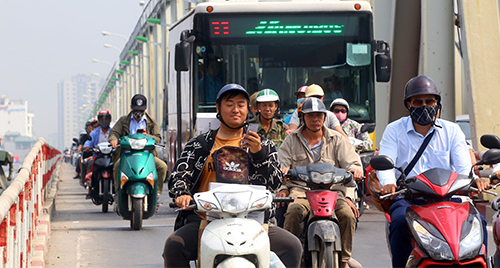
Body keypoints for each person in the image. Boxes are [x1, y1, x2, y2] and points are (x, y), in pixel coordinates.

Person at [163, 84, 302, 268]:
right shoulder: (200, 144)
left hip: (253, 221)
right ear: (218, 108)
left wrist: (258, 154)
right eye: (229, 104)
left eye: (241, 104)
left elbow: (275, 182)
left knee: (292, 246)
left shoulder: (263, 145)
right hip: (207, 220)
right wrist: (182, 193)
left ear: (248, 110)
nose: (235, 109)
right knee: (173, 247)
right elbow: (180, 175)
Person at [376, 75, 490, 268]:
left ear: (437, 103)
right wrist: (388, 182)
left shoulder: (452, 131)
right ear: (409, 105)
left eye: (430, 101)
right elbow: (386, 165)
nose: (424, 105)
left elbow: (463, 169)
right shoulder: (394, 130)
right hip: (410, 198)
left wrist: (473, 180)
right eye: (417, 101)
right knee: (399, 223)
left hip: (451, 198)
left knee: (477, 223)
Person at [277, 97, 363, 268]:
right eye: (310, 116)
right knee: (293, 212)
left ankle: (344, 260)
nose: (315, 119)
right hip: (301, 191)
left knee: (347, 215)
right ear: (302, 118)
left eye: (319, 115)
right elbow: (281, 167)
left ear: (324, 117)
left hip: (333, 192)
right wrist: (283, 186)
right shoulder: (291, 140)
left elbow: (353, 163)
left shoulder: (337, 139)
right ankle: (290, 260)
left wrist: (355, 172)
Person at [109, 94, 168, 198]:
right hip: (127, 155)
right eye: (136, 110)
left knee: (162, 167)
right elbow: (114, 132)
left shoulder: (151, 121)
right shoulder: (123, 120)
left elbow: (158, 137)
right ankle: (118, 194)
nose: (138, 113)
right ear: (131, 108)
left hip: (147, 156)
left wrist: (147, 136)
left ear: (145, 109)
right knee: (117, 166)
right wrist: (113, 140)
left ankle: (156, 193)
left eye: (141, 110)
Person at [83, 110, 113, 199]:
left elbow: (118, 139)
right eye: (102, 118)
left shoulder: (113, 132)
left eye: (106, 118)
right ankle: (90, 189)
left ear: (110, 120)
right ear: (99, 120)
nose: (104, 121)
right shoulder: (95, 132)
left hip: (111, 156)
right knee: (90, 163)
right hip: (98, 155)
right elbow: (89, 141)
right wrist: (87, 146)